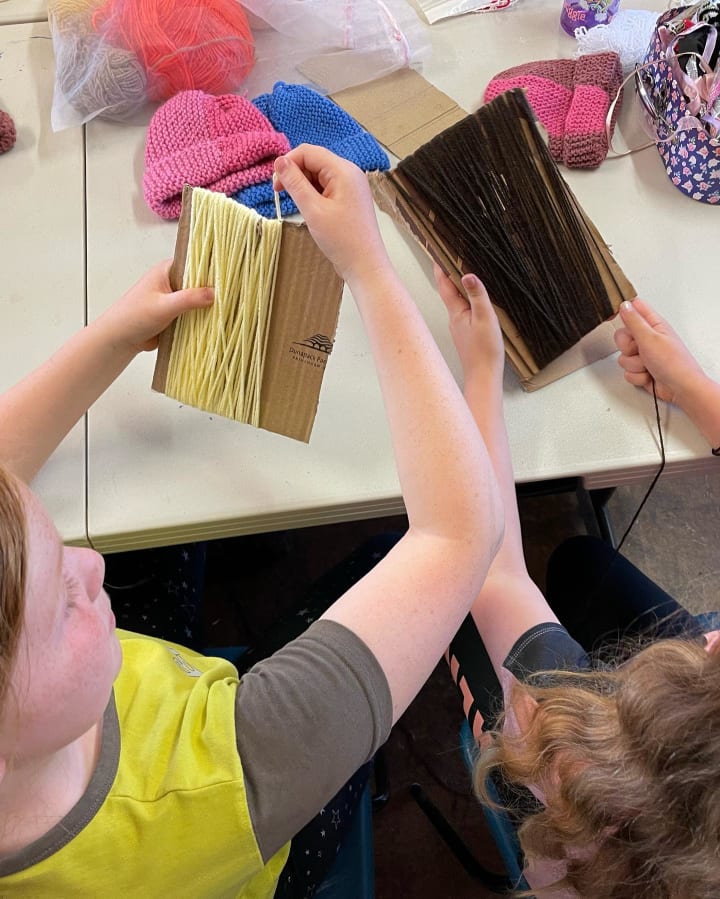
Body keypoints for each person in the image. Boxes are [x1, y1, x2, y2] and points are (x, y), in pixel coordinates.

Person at [0, 145, 504, 896]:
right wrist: (367, 265)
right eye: (60, 599)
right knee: (390, 557)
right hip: (262, 824)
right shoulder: (215, 783)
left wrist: (112, 336)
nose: (89, 562)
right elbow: (460, 534)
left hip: (150, 705)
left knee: (162, 534)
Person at [437, 272, 720, 899]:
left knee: (450, 599)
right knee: (580, 566)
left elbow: (488, 564)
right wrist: (698, 392)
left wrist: (481, 370)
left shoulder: (582, 764)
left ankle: (505, 755)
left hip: (598, 816)